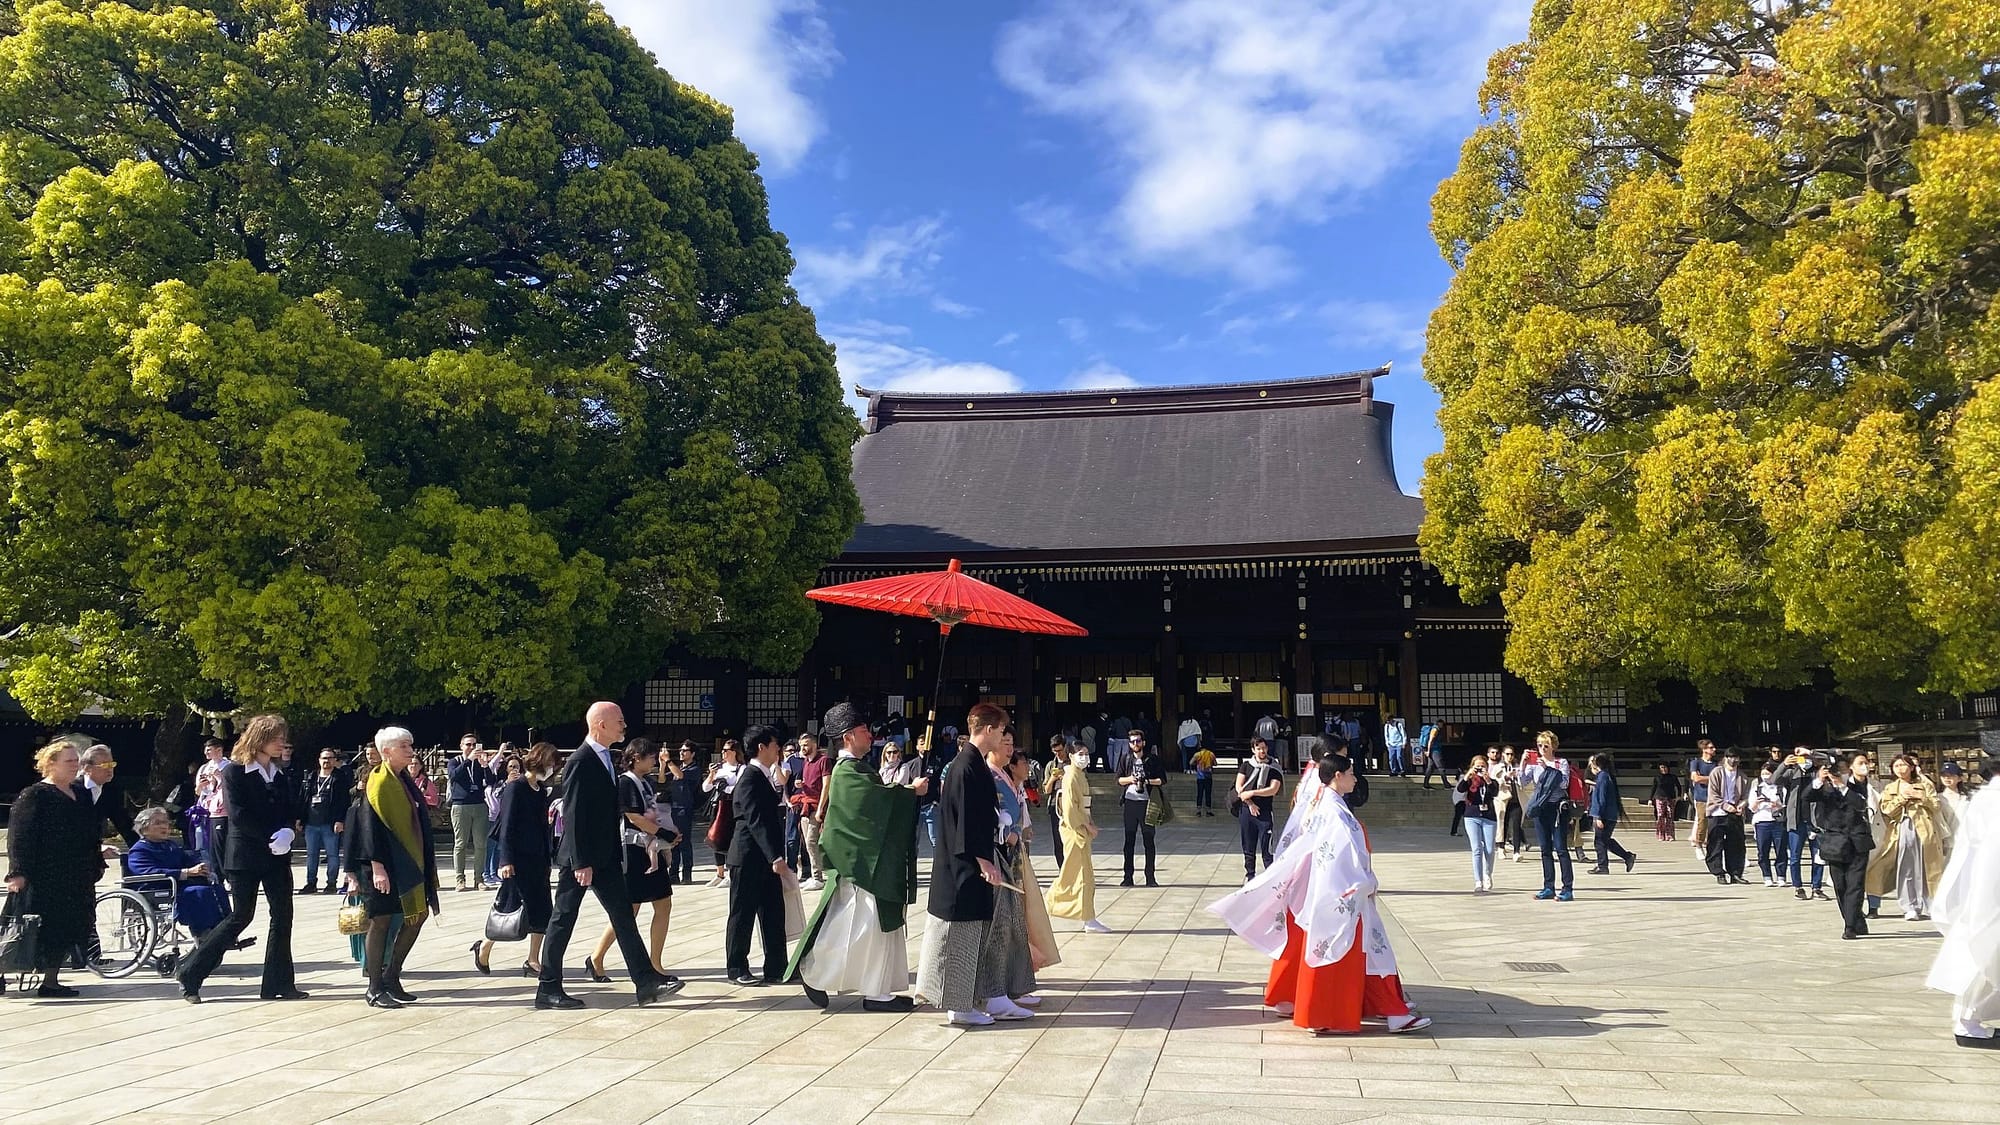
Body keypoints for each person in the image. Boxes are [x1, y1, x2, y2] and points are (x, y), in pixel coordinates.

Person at [1211, 752, 1431, 1036]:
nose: (1355, 778)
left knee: (1372, 954)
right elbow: (1339, 856)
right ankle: (1361, 1014)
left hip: (1339, 891)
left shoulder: (1327, 804)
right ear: (1337, 776)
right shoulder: (1334, 812)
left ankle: (1388, 1012)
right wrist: (1362, 882)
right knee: (1362, 954)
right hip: (1344, 892)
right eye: (1351, 772)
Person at [535, 701, 683, 1010]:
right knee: (563, 919)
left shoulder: (607, 758)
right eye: (619, 720)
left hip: (606, 857)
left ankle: (645, 982)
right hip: (583, 859)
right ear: (600, 724)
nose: (624, 726)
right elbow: (574, 814)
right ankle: (548, 988)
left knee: (624, 917)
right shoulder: (580, 760)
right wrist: (581, 861)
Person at [788, 702, 927, 1013]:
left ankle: (878, 991)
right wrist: (908, 792)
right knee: (858, 927)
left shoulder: (855, 769)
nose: (871, 737)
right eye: (865, 732)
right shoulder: (847, 770)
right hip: (861, 865)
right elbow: (872, 803)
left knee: (871, 928)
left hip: (867, 861)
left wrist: (905, 792)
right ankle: (814, 970)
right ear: (849, 737)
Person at [172, 714, 305, 1002]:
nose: (282, 742)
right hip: (246, 854)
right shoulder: (234, 772)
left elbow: (289, 808)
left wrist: (288, 833)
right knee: (241, 916)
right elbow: (239, 815)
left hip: (276, 855)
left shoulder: (279, 773)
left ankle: (278, 982)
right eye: (276, 738)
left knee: (283, 916)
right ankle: (190, 972)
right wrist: (272, 836)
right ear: (259, 740)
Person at [916, 703, 1010, 1026]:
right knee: (961, 936)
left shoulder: (974, 764)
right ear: (986, 729)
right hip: (962, 867)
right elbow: (964, 821)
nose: (1002, 736)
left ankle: (970, 999)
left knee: (972, 935)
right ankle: (959, 1006)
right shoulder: (964, 766)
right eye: (999, 730)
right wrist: (984, 860)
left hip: (970, 863)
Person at [574, 739, 679, 984]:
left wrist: (667, 833)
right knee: (628, 910)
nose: (654, 761)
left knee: (663, 904)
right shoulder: (625, 782)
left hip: (650, 849)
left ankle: (656, 963)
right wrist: (664, 834)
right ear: (635, 758)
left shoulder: (645, 782)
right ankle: (597, 957)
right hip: (632, 852)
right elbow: (633, 816)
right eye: (650, 757)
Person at [4, 741, 106, 997]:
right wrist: (17, 871)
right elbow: (19, 836)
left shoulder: (81, 794)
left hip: (74, 875)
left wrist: (96, 860)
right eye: (69, 761)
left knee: (66, 927)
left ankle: (51, 981)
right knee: (25, 928)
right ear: (51, 763)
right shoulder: (35, 795)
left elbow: (90, 832)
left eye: (76, 761)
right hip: (43, 874)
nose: (75, 766)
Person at [351, 726, 441, 1008]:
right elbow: (369, 827)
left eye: (410, 744)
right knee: (381, 922)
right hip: (385, 864)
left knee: (417, 916)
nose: (410, 749)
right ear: (386, 751)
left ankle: (392, 975)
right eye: (404, 745)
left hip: (409, 861)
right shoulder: (378, 782)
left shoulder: (405, 779)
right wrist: (376, 866)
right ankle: (375, 987)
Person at [1926, 754, 2000, 1049]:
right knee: (1982, 954)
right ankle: (1968, 1021)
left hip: (1983, 886)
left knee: (1981, 953)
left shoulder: (1985, 798)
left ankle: (1969, 1020)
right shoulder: (1993, 800)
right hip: (1990, 888)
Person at [475, 741, 557, 978]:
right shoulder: (516, 787)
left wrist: (548, 856)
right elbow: (507, 826)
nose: (552, 769)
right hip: (517, 860)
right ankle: (485, 945)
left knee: (542, 910)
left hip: (538, 858)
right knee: (509, 909)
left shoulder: (540, 790)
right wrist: (505, 860)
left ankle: (533, 959)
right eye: (551, 763)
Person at [726, 725, 792, 987]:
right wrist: (774, 856)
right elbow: (755, 820)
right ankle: (736, 967)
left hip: (765, 858)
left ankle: (777, 966)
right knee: (742, 913)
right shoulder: (750, 776)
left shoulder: (764, 775)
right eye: (775, 744)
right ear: (761, 747)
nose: (778, 749)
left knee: (773, 912)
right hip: (748, 856)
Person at [1867, 754, 1945, 921]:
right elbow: (1886, 809)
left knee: (1928, 867)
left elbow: (1936, 805)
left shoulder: (1924, 784)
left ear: (1911, 767)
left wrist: (1921, 798)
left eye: (1903, 765)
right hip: (1902, 828)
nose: (1900, 769)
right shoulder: (1891, 788)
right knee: (1907, 867)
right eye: (1896, 766)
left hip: (1925, 828)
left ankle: (1930, 903)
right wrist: (1902, 798)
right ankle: (1909, 905)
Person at [1812, 751, 1877, 939]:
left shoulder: (1857, 784)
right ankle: (1857, 920)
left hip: (1857, 841)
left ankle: (1849, 926)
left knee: (1855, 886)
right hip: (1835, 842)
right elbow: (1807, 797)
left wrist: (1842, 786)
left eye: (1841, 770)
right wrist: (1819, 779)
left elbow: (1859, 803)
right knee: (1840, 885)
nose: (1838, 773)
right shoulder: (1825, 787)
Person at [1047, 739, 1109, 934]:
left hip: (1082, 827)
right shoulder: (1070, 777)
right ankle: (1048, 904)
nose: (1084, 757)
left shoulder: (1079, 775)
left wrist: (1089, 822)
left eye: (1086, 753)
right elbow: (1069, 809)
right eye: (1080, 754)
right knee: (1074, 876)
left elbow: (1083, 805)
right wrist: (1085, 825)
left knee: (1084, 876)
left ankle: (1088, 917)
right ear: (1071, 756)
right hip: (1074, 830)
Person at [1521, 731, 1575, 901]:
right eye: (1539, 745)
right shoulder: (1534, 764)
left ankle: (1567, 888)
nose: (1542, 749)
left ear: (1553, 747)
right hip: (1541, 808)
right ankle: (1548, 886)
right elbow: (1522, 782)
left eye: (1546, 745)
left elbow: (1565, 783)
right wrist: (1523, 765)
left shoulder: (1560, 763)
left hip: (1557, 807)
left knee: (1561, 848)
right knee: (1545, 848)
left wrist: (1548, 768)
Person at [1777, 748, 1828, 901]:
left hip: (1815, 821)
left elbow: (1829, 759)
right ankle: (1798, 886)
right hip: (1796, 819)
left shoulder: (1818, 771)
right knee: (1795, 856)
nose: (1804, 759)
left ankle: (1817, 887)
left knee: (1818, 856)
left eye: (1806, 757)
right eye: (1801, 757)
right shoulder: (1792, 772)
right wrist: (1784, 764)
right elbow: (1774, 780)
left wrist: (1810, 752)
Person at [301, 747, 352, 894]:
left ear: (335, 761)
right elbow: (303, 798)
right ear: (319, 760)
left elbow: (344, 801)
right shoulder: (311, 777)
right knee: (311, 855)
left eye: (330, 758)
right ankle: (310, 883)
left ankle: (331, 883)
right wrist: (300, 818)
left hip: (330, 824)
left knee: (332, 855)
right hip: (311, 823)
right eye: (324, 758)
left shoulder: (340, 778)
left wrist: (341, 820)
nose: (327, 761)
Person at [444, 734, 489, 893]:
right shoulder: (454, 761)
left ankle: (479, 878)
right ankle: (460, 878)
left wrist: (485, 766)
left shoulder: (479, 762)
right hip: (460, 805)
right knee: (460, 843)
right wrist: (469, 760)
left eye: (474, 744)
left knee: (481, 844)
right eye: (468, 744)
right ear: (461, 746)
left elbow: (491, 781)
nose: (471, 747)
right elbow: (453, 776)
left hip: (479, 804)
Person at [1117, 730, 1162, 887]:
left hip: (1147, 804)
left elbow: (1162, 780)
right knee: (1129, 841)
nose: (1135, 744)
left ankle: (1150, 876)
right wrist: (1130, 779)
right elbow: (1118, 779)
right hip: (1130, 803)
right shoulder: (1125, 759)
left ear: (1143, 742)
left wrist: (1147, 781)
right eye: (1132, 742)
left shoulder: (1152, 759)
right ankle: (1127, 876)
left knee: (1149, 841)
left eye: (1138, 741)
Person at [1236, 738, 1284, 882]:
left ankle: (1270, 877)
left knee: (1266, 844)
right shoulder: (1246, 766)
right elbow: (1239, 787)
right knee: (1248, 844)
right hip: (1247, 809)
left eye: (1264, 748)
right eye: (1258, 748)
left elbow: (1273, 789)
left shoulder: (1274, 767)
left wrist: (1253, 793)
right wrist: (1250, 802)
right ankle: (1250, 875)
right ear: (1253, 750)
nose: (1262, 751)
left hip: (1264, 811)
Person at [76, 744, 138, 848]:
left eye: (111, 764)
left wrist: (143, 849)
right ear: (87, 768)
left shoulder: (111, 790)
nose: (110, 770)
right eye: (105, 765)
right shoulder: (73, 788)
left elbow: (123, 823)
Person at [1704, 749, 1750, 885]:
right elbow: (1713, 794)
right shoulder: (1717, 772)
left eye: (1736, 757)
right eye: (1730, 757)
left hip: (1735, 813)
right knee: (1715, 843)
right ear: (1725, 758)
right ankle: (1719, 872)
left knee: (1736, 844)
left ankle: (1735, 873)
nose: (1733, 760)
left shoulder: (1742, 776)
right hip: (1718, 812)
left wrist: (1742, 804)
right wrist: (1725, 805)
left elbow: (1745, 795)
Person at [702, 741, 744, 888]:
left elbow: (739, 788)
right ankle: (719, 873)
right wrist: (712, 774)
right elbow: (706, 787)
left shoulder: (741, 768)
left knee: (729, 838)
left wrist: (725, 787)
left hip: (731, 807)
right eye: (723, 750)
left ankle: (730, 871)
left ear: (734, 752)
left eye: (726, 750)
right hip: (718, 805)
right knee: (715, 837)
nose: (723, 753)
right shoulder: (720, 768)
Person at [1585, 753, 1635, 875]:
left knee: (1600, 841)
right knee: (1605, 840)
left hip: (1604, 815)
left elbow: (1601, 799)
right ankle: (1627, 857)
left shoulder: (1602, 777)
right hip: (1610, 814)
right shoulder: (1607, 776)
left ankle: (1603, 866)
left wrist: (1598, 816)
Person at [798, 732, 836, 893]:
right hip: (806, 805)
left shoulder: (824, 760)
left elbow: (826, 785)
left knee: (812, 841)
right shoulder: (806, 762)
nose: (803, 748)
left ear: (814, 744)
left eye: (806, 745)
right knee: (807, 842)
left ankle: (818, 877)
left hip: (817, 806)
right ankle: (815, 874)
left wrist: (821, 808)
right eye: (801, 746)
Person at [662, 742, 702, 886]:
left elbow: (680, 775)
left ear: (692, 754)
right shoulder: (677, 768)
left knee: (684, 842)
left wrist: (668, 760)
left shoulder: (695, 769)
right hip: (673, 808)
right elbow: (663, 779)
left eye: (685, 751)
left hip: (685, 809)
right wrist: (662, 765)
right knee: (673, 842)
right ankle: (673, 874)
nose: (681, 752)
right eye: (681, 750)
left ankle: (687, 874)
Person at [1751, 761, 1789, 886]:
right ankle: (1766, 875)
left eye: (1768, 773)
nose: (1765, 776)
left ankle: (1781, 875)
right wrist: (1757, 802)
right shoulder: (1757, 788)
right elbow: (1752, 808)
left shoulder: (1780, 788)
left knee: (1781, 850)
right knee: (1763, 850)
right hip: (1762, 821)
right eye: (1763, 774)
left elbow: (1784, 805)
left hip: (1777, 821)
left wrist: (1776, 804)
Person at [1039, 737, 1069, 868]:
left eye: (1060, 750)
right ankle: (1061, 868)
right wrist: (1052, 778)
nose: (1058, 754)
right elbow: (1046, 790)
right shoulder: (1051, 765)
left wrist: (1067, 777)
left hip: (1070, 803)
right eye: (1055, 751)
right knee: (1058, 840)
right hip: (1055, 804)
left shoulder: (1072, 763)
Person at [1688, 740, 1718, 853]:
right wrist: (1711, 779)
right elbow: (1695, 778)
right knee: (1702, 821)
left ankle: (1711, 844)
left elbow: (1719, 779)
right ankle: (1699, 844)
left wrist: (1704, 778)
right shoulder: (1696, 763)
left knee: (1715, 822)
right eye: (1711, 747)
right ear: (1704, 749)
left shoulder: (1716, 764)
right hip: (1701, 796)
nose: (1714, 749)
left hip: (1715, 797)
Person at [1939, 761, 1972, 859]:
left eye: (1951, 775)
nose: (1947, 778)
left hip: (1964, 842)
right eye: (1944, 776)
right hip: (1945, 843)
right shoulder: (1938, 798)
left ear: (1959, 778)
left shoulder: (1967, 798)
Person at [1647, 762, 1682, 842]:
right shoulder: (1657, 777)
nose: (1664, 769)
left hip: (1670, 798)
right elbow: (1654, 788)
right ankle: (1660, 834)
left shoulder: (1673, 777)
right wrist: (1650, 799)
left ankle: (1669, 835)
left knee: (1670, 816)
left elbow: (1678, 786)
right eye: (1662, 767)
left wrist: (1679, 796)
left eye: (1665, 767)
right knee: (1660, 816)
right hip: (1659, 797)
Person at [1189, 742, 1217, 816]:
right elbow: (1215, 763)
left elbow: (1191, 763)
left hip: (1200, 777)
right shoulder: (1211, 754)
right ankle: (1208, 811)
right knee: (1208, 794)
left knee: (1200, 794)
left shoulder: (1197, 755)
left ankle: (1198, 811)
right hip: (1209, 777)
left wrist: (1197, 763)